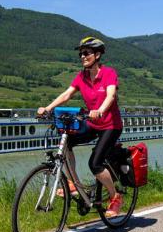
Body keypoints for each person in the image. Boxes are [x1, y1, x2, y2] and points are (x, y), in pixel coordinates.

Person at [37, 36, 124, 216]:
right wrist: (48, 108)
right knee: (66, 142)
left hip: (110, 125)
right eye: (80, 54)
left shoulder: (108, 73)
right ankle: (73, 184)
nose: (82, 56)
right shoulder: (81, 76)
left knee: (95, 164)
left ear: (97, 54)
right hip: (93, 123)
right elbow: (67, 94)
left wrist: (100, 110)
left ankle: (116, 196)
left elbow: (111, 96)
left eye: (86, 53)